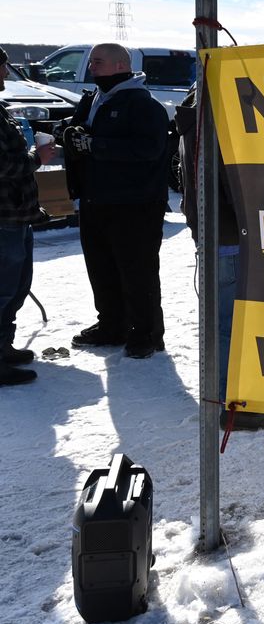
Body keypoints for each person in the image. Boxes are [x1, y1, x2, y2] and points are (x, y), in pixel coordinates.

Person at [176, 87, 264, 430]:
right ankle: (233, 403)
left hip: (214, 235)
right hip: (230, 237)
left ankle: (229, 396)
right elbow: (237, 186)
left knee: (225, 322)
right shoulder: (219, 121)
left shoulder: (193, 116)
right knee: (232, 324)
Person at [60, 43, 171, 359]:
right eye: (92, 62)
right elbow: (74, 133)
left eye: (98, 62)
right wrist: (69, 134)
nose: (91, 67)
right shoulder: (94, 99)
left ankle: (145, 334)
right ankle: (111, 325)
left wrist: (96, 145)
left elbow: (149, 149)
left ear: (121, 65)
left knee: (137, 271)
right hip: (96, 200)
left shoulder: (143, 105)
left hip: (135, 204)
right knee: (102, 268)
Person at [1, 47, 56, 386]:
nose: (6, 72)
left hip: (16, 214)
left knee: (16, 286)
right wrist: (37, 156)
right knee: (3, 289)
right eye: (3, 65)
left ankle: (3, 347)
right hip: (4, 217)